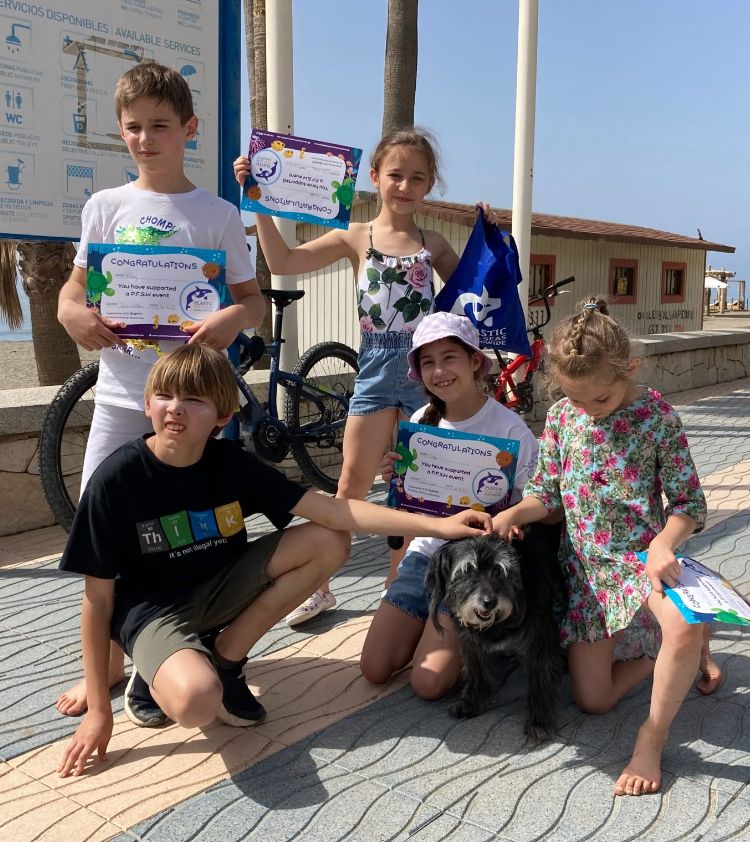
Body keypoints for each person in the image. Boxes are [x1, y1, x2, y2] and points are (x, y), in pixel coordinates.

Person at [56, 343, 492, 778]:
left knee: (329, 540)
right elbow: (96, 602)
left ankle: (225, 658)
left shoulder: (230, 463)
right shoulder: (117, 479)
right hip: (154, 611)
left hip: (220, 587)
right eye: (166, 396)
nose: (176, 410)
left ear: (223, 416)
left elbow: (335, 511)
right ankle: (159, 670)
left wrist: (440, 525)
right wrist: (99, 710)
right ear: (147, 402)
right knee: (195, 702)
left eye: (194, 400)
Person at [55, 60, 264, 718]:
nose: (146, 138)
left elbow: (251, 302)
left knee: (201, 529)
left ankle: (198, 648)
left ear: (189, 130)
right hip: (121, 398)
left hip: (199, 402)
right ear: (121, 132)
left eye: (161, 126)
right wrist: (70, 313)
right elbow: (74, 288)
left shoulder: (218, 214)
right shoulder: (104, 207)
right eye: (134, 128)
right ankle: (107, 667)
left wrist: (225, 321)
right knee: (101, 528)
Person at [234, 128, 498, 626]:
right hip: (376, 369)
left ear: (430, 184)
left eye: (418, 177)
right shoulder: (357, 236)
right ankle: (319, 585)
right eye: (395, 175)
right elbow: (285, 262)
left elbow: (476, 292)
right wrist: (259, 206)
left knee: (415, 483)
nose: (405, 185)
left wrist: (487, 233)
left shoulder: (433, 242)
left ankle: (398, 589)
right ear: (375, 177)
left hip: (427, 373)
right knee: (350, 485)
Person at [492, 298, 722, 797]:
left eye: (598, 400)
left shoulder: (657, 415)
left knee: (679, 626)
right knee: (594, 700)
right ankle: (674, 648)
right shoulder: (561, 417)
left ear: (630, 369)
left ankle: (652, 737)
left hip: (645, 559)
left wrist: (664, 543)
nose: (587, 410)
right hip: (587, 574)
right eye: (575, 399)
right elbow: (547, 493)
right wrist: (513, 513)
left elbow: (689, 503)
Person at [358, 312, 541, 699]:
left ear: (475, 361)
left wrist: (512, 518)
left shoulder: (511, 431)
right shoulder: (423, 419)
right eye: (428, 362)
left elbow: (535, 501)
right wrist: (396, 476)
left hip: (475, 567)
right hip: (425, 557)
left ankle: (493, 642)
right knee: (375, 668)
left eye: (449, 358)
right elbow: (409, 504)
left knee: (428, 684)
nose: (439, 371)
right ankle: (438, 629)